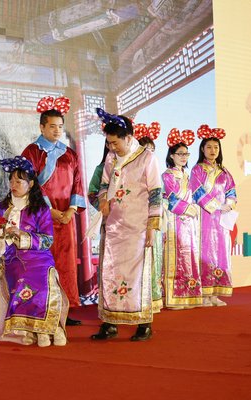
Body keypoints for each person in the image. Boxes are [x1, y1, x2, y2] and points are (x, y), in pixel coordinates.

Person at [91, 108, 162, 341]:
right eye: (109, 143)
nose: (111, 147)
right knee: (110, 272)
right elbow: (104, 185)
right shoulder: (111, 158)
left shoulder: (147, 158)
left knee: (137, 275)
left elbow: (156, 192)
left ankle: (144, 323)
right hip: (113, 227)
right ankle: (110, 323)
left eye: (115, 142)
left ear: (128, 138)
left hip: (137, 227)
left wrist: (152, 226)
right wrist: (103, 200)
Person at [0, 156, 68, 347]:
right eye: (11, 181)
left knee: (41, 278)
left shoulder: (40, 209)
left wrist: (22, 235)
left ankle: (49, 328)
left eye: (18, 181)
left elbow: (47, 240)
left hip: (39, 257)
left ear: (30, 184)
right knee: (22, 276)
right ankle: (35, 329)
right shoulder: (3, 208)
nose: (13, 185)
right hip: (13, 257)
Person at [21, 96, 85, 325]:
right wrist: (49, 211)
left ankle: (64, 310)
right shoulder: (31, 152)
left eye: (60, 126)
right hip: (41, 217)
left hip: (66, 216)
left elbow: (77, 183)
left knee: (65, 263)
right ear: (41, 127)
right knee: (42, 262)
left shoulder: (69, 154)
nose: (57, 130)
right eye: (52, 126)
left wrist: (71, 210)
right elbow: (27, 184)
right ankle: (41, 309)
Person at [189, 125, 236, 307]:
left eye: (216, 147)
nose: (212, 150)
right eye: (209, 147)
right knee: (205, 251)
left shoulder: (225, 172)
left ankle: (215, 293)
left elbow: (232, 191)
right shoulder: (197, 170)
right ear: (202, 149)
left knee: (221, 253)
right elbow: (198, 192)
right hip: (205, 218)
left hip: (221, 220)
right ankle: (203, 294)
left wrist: (229, 205)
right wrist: (217, 206)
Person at [162, 129, 203, 309]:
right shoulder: (167, 175)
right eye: (180, 154)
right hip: (175, 221)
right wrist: (190, 209)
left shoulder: (188, 176)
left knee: (190, 256)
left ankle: (188, 296)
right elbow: (171, 199)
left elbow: (197, 196)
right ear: (171, 155)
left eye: (186, 154)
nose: (184, 157)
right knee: (176, 257)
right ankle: (174, 298)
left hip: (190, 223)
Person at [134, 121, 164, 312]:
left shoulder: (156, 173)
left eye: (152, 150)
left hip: (153, 220)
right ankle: (139, 300)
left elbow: (159, 196)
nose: (149, 154)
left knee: (155, 260)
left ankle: (153, 298)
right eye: (145, 150)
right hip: (135, 221)